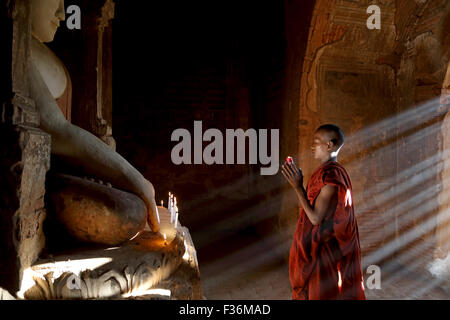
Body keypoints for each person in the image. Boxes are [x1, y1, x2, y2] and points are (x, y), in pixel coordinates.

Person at [28, 0, 160, 233]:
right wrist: (134, 178)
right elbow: (56, 129)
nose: (62, 13)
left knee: (131, 205)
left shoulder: (41, 51)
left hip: (69, 168)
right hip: (41, 180)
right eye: (54, 0)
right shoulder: (17, 50)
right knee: (126, 211)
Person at [281, 124, 365, 300]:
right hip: (322, 247)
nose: (312, 146)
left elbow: (315, 218)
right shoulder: (329, 172)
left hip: (323, 252)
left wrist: (298, 187)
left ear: (329, 145)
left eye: (316, 142)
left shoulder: (331, 178)